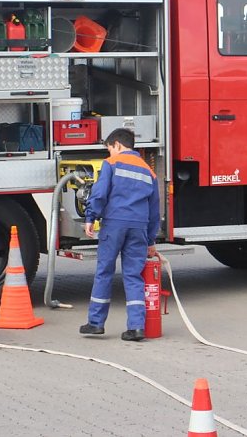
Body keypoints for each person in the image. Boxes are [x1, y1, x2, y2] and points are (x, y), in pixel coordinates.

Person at [79, 128, 160, 342]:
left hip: (114, 223)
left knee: (104, 271)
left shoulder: (111, 164)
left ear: (117, 145)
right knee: (133, 275)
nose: (110, 153)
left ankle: (95, 324)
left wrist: (91, 217)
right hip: (139, 227)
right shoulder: (149, 172)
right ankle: (136, 328)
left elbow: (100, 193)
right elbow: (154, 210)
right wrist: (151, 240)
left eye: (109, 149)